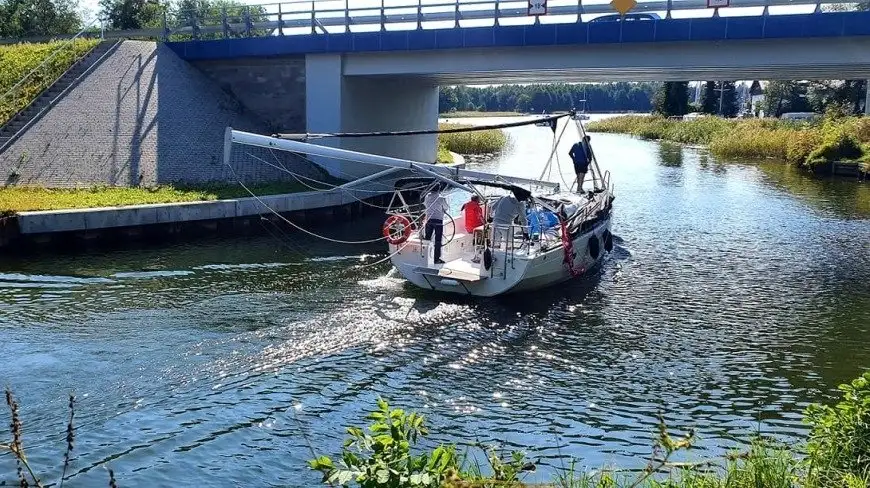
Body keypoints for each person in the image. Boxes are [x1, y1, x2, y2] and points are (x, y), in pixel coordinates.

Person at [423, 186, 449, 265]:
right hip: (438, 221)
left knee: (427, 239)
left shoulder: (427, 197)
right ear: (438, 189)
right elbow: (446, 207)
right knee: (438, 241)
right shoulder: (441, 198)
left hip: (429, 220)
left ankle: (424, 257)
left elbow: (425, 205)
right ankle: (436, 259)